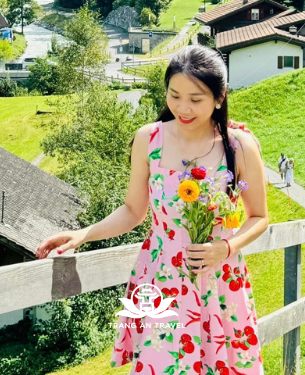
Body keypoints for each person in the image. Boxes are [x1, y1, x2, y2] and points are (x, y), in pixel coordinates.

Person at [36, 44, 268, 373]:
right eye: (174, 95)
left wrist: (225, 247)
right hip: (163, 278)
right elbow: (133, 210)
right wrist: (82, 234)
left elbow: (259, 216)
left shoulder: (239, 146)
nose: (183, 108)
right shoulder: (150, 140)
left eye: (196, 99)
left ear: (220, 97)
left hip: (220, 277)